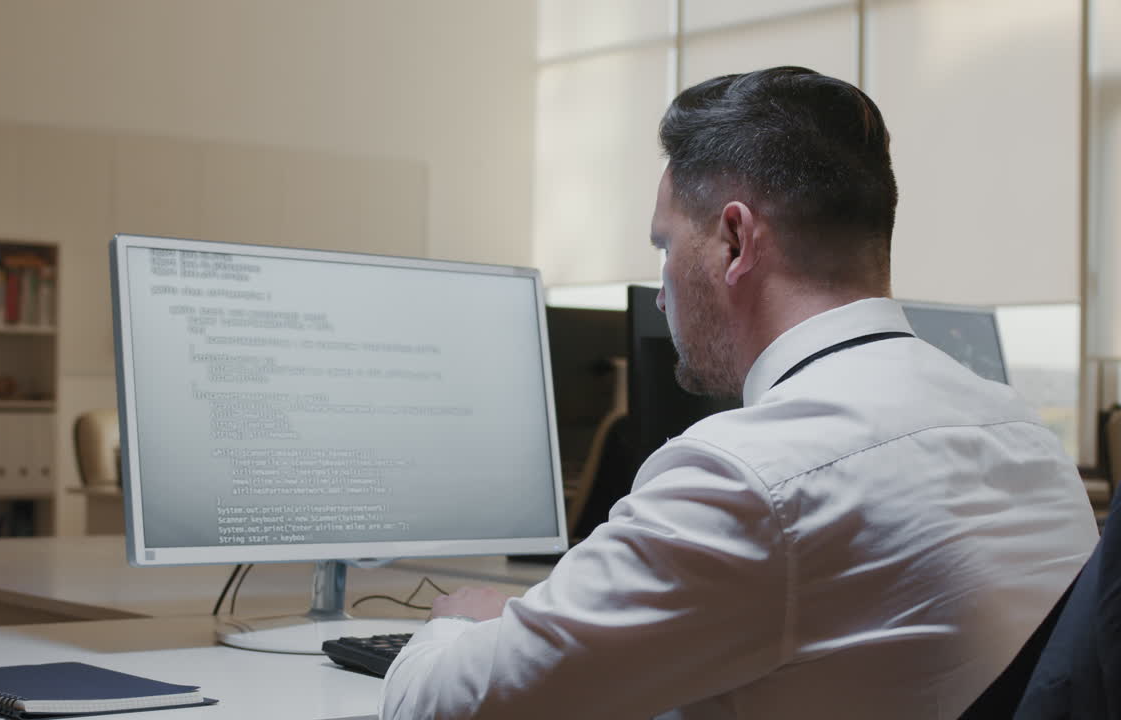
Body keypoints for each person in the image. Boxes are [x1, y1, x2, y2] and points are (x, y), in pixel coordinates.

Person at [378, 66, 1098, 719]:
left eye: (665, 246)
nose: (661, 294)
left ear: (733, 242)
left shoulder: (751, 478)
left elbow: (439, 707)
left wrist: (463, 621)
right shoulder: (1029, 440)